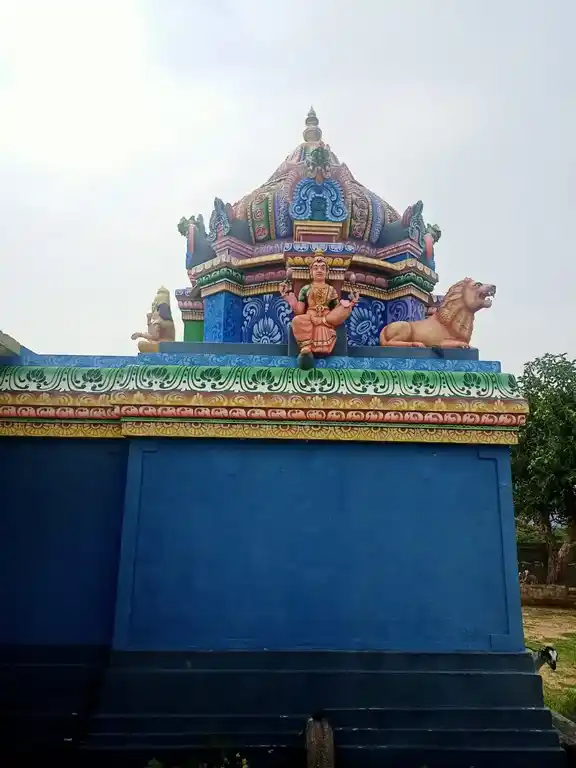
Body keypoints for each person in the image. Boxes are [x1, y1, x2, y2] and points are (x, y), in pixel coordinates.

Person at [280, 251, 359, 367]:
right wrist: (287, 298)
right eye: (316, 268)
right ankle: (306, 348)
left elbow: (336, 309)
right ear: (311, 272)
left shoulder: (331, 290)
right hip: (310, 317)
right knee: (297, 320)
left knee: (345, 307)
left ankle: (324, 325)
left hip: (327, 318)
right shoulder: (306, 289)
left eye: (322, 268)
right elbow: (300, 311)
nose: (319, 270)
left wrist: (351, 303)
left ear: (327, 272)